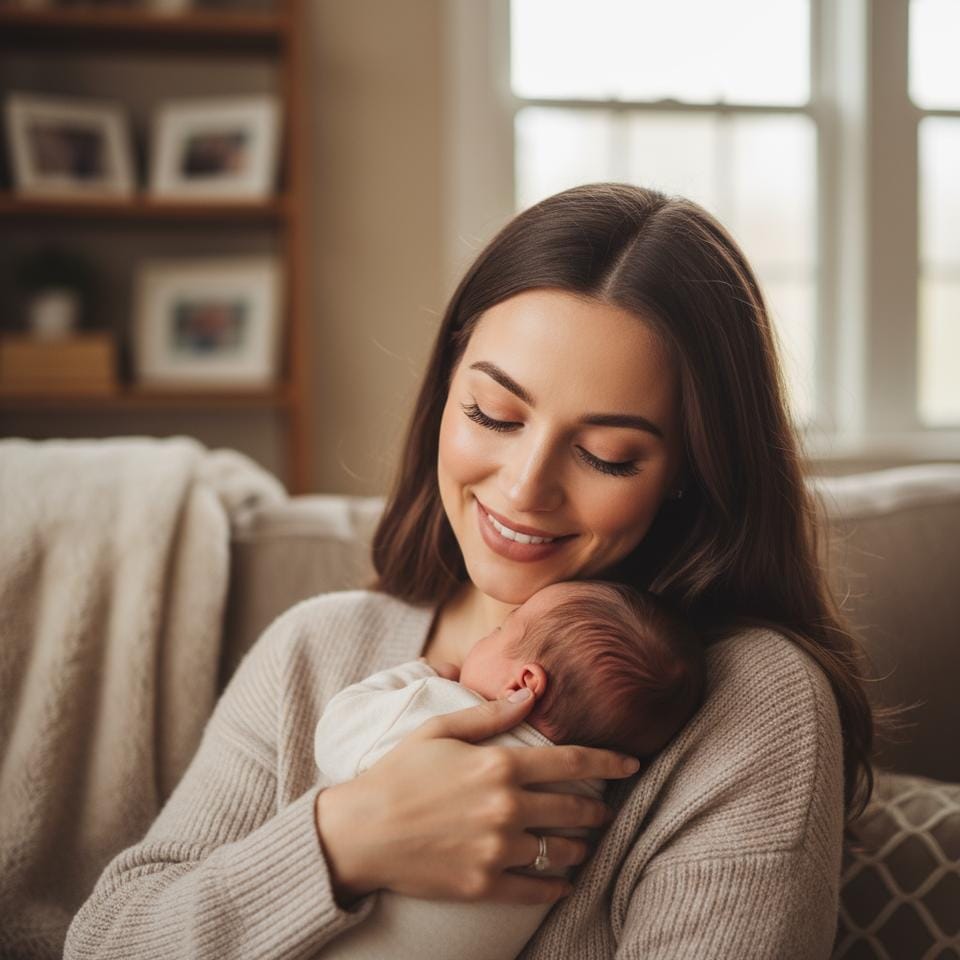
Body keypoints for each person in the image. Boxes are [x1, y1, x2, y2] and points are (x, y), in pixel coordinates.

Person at [66, 183, 875, 959]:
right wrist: (346, 837)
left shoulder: (751, 704)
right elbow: (108, 942)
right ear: (446, 389)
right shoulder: (314, 649)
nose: (524, 488)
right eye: (493, 414)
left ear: (691, 472)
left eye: (607, 455)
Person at [312, 580, 705, 960]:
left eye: (501, 630)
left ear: (522, 684)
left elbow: (334, 736)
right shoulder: (582, 810)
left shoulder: (438, 707)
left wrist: (416, 677)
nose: (484, 637)